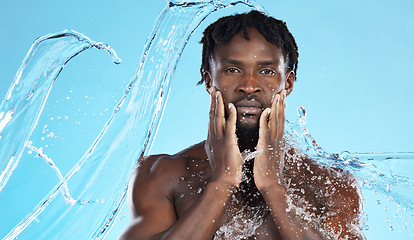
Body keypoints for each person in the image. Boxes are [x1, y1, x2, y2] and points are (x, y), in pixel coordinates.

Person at [119, 10, 364, 240]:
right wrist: (220, 185)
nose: (249, 85)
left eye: (267, 71)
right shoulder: (162, 173)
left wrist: (274, 188)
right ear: (209, 81)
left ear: (287, 83)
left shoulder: (331, 183)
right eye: (233, 69)